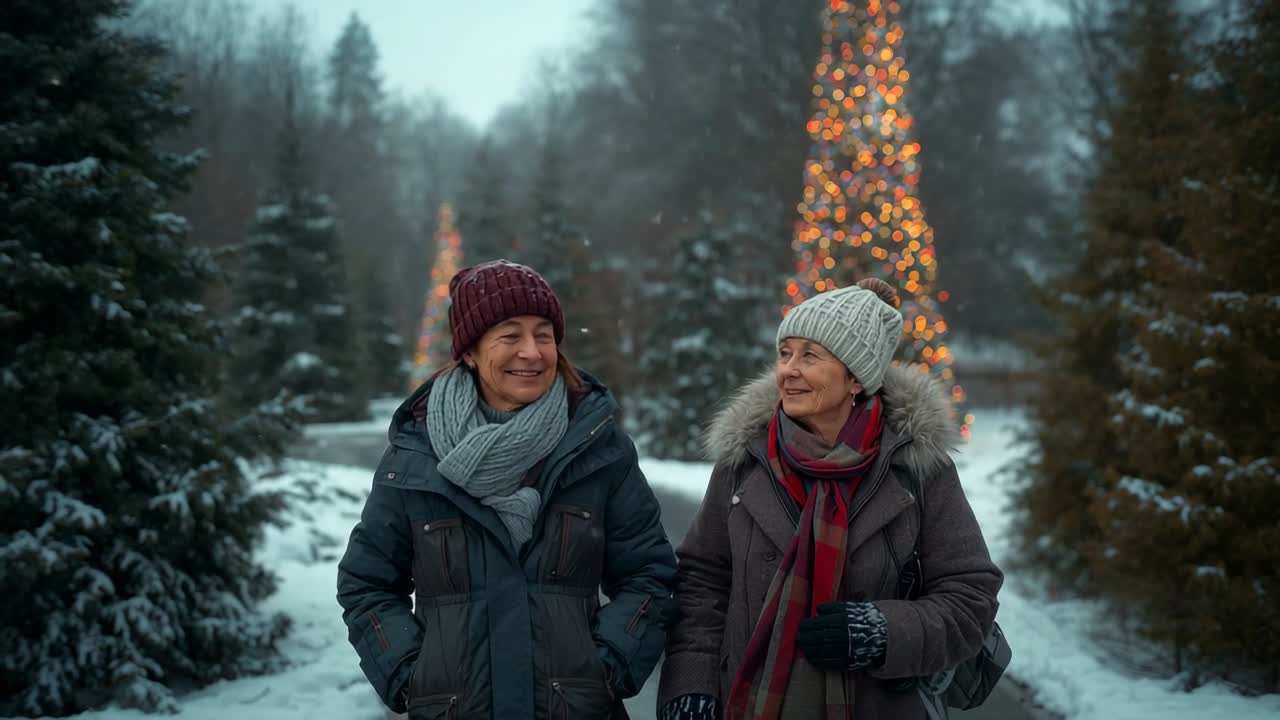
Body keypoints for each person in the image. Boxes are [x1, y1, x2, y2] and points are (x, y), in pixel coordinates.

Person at [338, 260, 676, 720]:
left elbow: (650, 575)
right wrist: (409, 675)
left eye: (543, 335)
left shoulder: (599, 449)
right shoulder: (416, 457)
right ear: (470, 352)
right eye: (510, 335)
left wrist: (606, 668)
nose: (531, 352)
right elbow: (367, 582)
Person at [657, 278, 1002, 720]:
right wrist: (691, 684)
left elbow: (970, 597)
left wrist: (879, 633)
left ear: (855, 377)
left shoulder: (916, 468)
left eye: (810, 356)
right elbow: (702, 581)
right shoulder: (746, 460)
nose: (788, 370)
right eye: (785, 353)